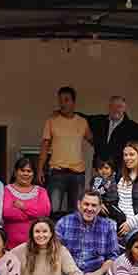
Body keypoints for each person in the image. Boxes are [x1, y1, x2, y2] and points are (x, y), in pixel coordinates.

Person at [54, 191, 119, 275]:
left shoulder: (108, 226)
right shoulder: (63, 223)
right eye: (86, 204)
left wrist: (97, 274)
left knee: (114, 273)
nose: (89, 209)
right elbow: (54, 254)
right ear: (79, 205)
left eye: (94, 205)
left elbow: (113, 257)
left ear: (100, 208)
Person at [38, 86, 93, 217]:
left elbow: (93, 141)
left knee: (78, 212)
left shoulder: (82, 122)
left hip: (78, 173)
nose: (62, 103)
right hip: (57, 172)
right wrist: (40, 168)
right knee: (53, 210)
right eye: (60, 100)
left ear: (74, 102)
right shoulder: (52, 120)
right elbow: (45, 146)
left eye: (66, 100)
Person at [86, 95, 138, 174]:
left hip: (121, 172)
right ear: (109, 108)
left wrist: (135, 163)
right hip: (99, 169)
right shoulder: (99, 121)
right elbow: (82, 118)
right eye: (113, 106)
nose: (116, 109)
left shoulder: (133, 127)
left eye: (119, 106)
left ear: (124, 108)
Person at [2, 157, 52, 249]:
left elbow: (44, 213)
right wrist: (32, 215)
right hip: (11, 246)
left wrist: (24, 207)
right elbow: (7, 212)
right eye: (22, 170)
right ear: (15, 172)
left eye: (29, 171)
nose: (26, 173)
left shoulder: (41, 191)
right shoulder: (7, 190)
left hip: (36, 245)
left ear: (33, 174)